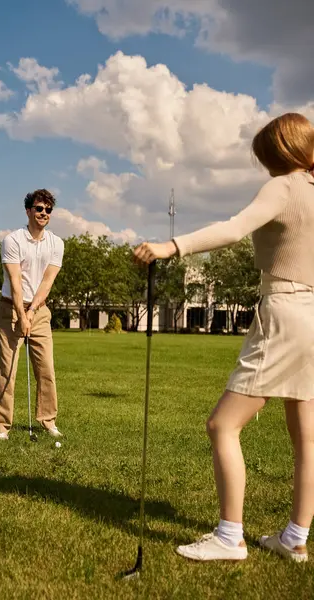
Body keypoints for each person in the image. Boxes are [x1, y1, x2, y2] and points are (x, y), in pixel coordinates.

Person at [134, 113, 314, 563]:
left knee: (222, 424)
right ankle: (295, 537)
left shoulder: (286, 186)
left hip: (286, 312)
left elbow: (235, 228)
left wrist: (171, 246)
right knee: (306, 438)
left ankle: (230, 537)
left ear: (279, 152)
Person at [0, 189, 64, 440]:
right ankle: (0, 426)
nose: (44, 213)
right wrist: (21, 314)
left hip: (40, 311)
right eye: (39, 208)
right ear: (28, 211)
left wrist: (32, 312)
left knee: (46, 368)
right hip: (11, 307)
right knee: (7, 370)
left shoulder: (57, 243)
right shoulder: (13, 240)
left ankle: (48, 420)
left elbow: (47, 282)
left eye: (48, 210)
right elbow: (15, 280)